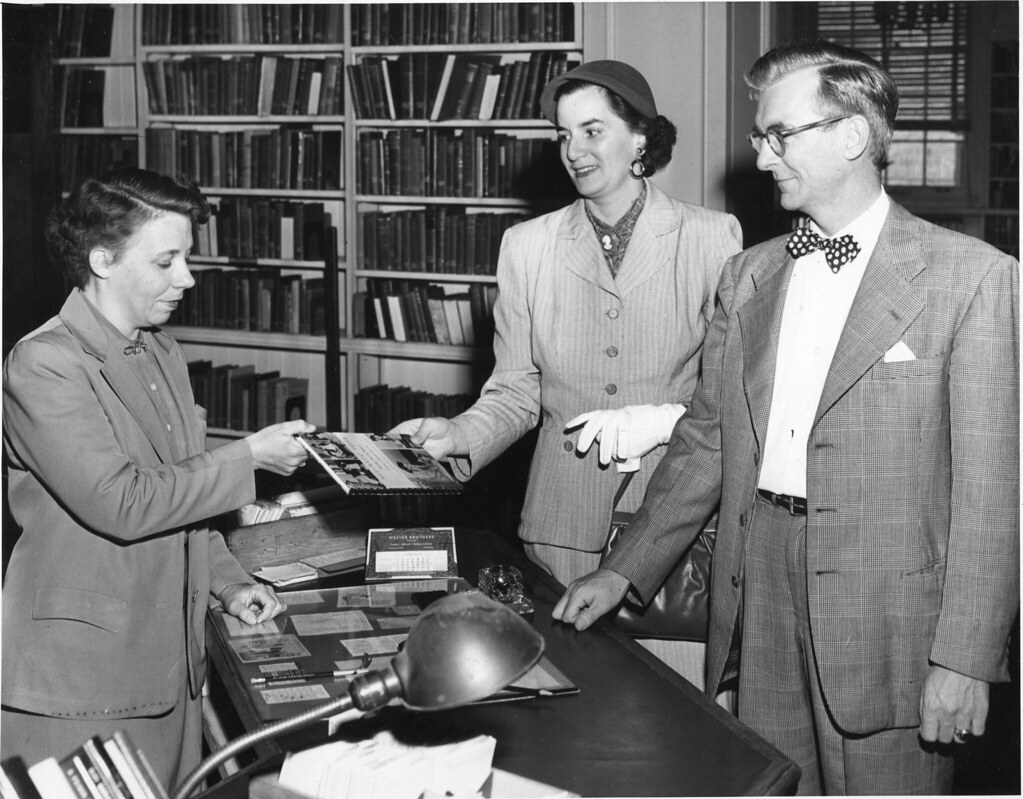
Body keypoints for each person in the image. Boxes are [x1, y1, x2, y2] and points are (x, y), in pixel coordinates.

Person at [553, 40, 1019, 795]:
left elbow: (992, 498)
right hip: (758, 579)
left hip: (888, 615)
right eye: (757, 138)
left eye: (778, 135)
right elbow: (705, 442)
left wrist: (963, 659)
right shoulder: (749, 275)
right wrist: (622, 570)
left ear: (852, 136)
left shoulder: (975, 280)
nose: (763, 157)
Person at [389, 60, 742, 685]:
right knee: (573, 712)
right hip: (560, 528)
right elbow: (517, 390)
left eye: (592, 131)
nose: (573, 151)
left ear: (640, 138)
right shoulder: (528, 245)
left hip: (676, 531)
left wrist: (661, 422)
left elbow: (731, 399)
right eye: (562, 135)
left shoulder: (713, 239)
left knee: (677, 720)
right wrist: (459, 435)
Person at [1, 168, 314, 789]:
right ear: (102, 261)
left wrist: (227, 582)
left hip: (170, 670)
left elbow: (183, 491)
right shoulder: (44, 363)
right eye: (167, 261)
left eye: (187, 259)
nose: (187, 279)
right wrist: (248, 457)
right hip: (80, 684)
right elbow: (125, 502)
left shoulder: (162, 352)